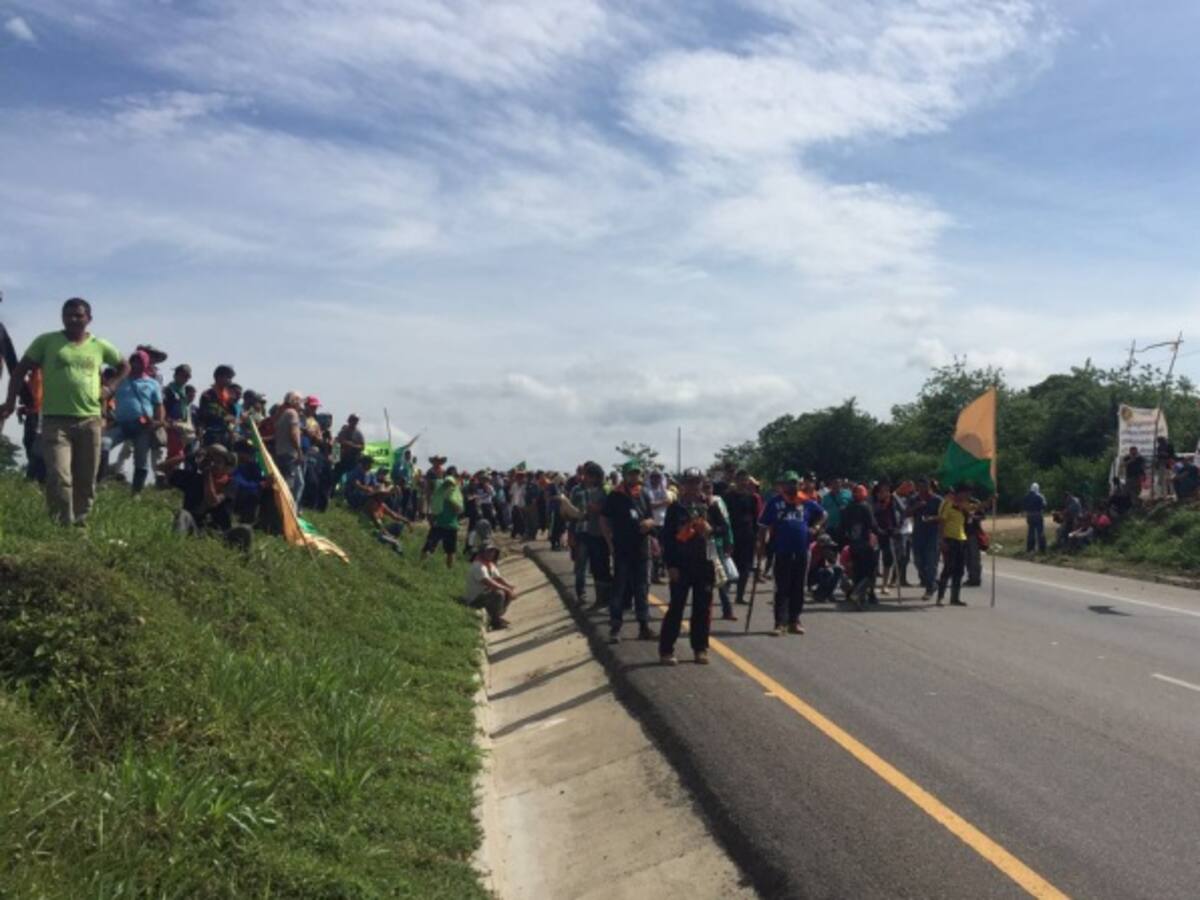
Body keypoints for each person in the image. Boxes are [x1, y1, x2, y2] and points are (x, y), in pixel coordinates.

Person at [1, 298, 128, 525]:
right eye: (68, 315)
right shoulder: (47, 342)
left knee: (86, 479)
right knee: (60, 476)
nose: (73, 319)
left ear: (89, 318)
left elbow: (124, 366)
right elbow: (19, 371)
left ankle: (80, 524)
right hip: (55, 421)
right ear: (62, 317)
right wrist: (10, 402)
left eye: (79, 315)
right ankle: (61, 523)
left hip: (90, 420)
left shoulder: (100, 345)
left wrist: (110, 387)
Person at [660, 468, 720, 665]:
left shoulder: (710, 505)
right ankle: (666, 650)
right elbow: (667, 539)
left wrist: (711, 530)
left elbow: (723, 529)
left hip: (705, 564)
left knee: (702, 609)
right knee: (676, 608)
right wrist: (671, 565)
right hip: (681, 565)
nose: (693, 486)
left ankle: (700, 649)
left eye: (697, 482)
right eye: (689, 482)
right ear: (683, 485)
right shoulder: (675, 508)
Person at [757, 470, 825, 635]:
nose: (792, 486)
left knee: (798, 587)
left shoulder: (806, 501)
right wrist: (761, 546)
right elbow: (763, 525)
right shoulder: (774, 502)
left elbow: (823, 514)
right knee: (782, 587)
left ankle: (794, 621)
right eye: (789, 483)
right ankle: (779, 623)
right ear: (783, 485)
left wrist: (815, 527)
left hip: (802, 550)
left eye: (794, 483)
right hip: (782, 550)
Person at [600, 461, 658, 643]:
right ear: (624, 475)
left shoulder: (644, 494)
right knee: (619, 588)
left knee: (641, 589)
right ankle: (615, 628)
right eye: (631, 474)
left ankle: (644, 626)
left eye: (637, 474)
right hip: (622, 548)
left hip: (641, 548)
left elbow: (651, 517)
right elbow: (604, 519)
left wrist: (649, 523)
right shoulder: (615, 495)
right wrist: (609, 543)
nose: (635, 477)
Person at [160, 443, 253, 551]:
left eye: (218, 462)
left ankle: (241, 562)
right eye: (211, 461)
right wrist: (189, 456)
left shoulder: (230, 483)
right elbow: (162, 467)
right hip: (195, 530)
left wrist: (207, 473)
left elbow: (213, 501)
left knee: (246, 529)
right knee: (183, 515)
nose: (213, 465)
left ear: (225, 466)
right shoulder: (194, 479)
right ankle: (173, 549)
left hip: (220, 534)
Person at [100, 349, 164, 493]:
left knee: (141, 459)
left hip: (143, 426)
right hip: (120, 424)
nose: (135, 364)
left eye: (139, 361)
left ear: (146, 364)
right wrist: (105, 415)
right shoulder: (120, 379)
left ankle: (136, 493)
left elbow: (159, 405)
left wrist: (158, 422)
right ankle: (99, 482)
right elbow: (105, 395)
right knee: (103, 444)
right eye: (133, 361)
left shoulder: (152, 383)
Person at [726, 471, 762, 605]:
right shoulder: (728, 497)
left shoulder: (752, 498)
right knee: (729, 567)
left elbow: (757, 518)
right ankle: (726, 597)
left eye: (745, 480)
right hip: (732, 536)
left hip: (748, 536)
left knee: (745, 568)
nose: (743, 482)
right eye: (740, 480)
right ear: (736, 480)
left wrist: (758, 537)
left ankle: (740, 596)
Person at [842, 483, 880, 605]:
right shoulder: (865, 507)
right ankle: (861, 593)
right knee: (870, 569)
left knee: (857, 569)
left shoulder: (849, 507)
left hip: (853, 543)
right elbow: (872, 524)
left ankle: (857, 594)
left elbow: (844, 526)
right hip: (865, 542)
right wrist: (884, 532)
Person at [465, 542, 517, 630]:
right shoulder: (479, 566)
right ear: (482, 552)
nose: (491, 554)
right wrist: (506, 589)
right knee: (499, 594)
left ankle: (496, 617)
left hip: (485, 594)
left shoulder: (489, 564)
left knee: (505, 592)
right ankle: (495, 622)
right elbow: (488, 582)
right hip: (476, 598)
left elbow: (498, 578)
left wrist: (509, 587)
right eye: (488, 551)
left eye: (493, 551)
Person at [908, 477, 943, 601]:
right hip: (918, 535)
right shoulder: (914, 499)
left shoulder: (937, 500)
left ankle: (930, 587)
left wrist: (932, 519)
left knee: (931, 563)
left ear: (929, 486)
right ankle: (932, 581)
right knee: (918, 562)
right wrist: (916, 506)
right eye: (920, 487)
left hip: (933, 536)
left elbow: (943, 517)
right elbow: (906, 513)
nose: (922, 489)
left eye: (924, 486)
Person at [936, 484, 972, 606]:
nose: (968, 496)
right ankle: (940, 597)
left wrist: (990, 501)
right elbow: (941, 522)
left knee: (960, 570)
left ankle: (955, 598)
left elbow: (976, 508)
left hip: (961, 539)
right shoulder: (948, 504)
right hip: (950, 539)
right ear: (960, 493)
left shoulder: (963, 506)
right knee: (948, 569)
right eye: (966, 493)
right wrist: (941, 541)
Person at [422, 465, 463, 568]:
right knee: (446, 551)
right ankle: (422, 567)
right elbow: (459, 510)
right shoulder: (454, 490)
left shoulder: (444, 488)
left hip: (443, 523)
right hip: (446, 524)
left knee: (433, 547)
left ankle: (421, 567)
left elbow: (458, 509)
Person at [272, 391, 305, 509]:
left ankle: (287, 509)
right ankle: (289, 510)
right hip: (290, 453)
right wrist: (299, 451)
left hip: (280, 451)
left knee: (294, 482)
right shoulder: (292, 413)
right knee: (293, 484)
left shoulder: (282, 414)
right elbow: (293, 435)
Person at [197, 365, 238, 447]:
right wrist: (223, 417)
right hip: (211, 433)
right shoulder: (207, 395)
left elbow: (234, 416)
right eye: (228, 377)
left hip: (227, 434)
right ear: (218, 377)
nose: (230, 381)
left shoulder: (229, 396)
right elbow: (204, 415)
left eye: (230, 378)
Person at [332, 414, 365, 486]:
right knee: (335, 478)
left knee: (352, 479)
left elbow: (362, 447)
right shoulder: (342, 432)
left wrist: (351, 445)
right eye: (353, 420)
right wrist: (335, 458)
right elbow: (336, 444)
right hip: (342, 460)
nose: (354, 422)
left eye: (356, 420)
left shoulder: (359, 433)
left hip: (353, 460)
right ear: (349, 421)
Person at [1023, 482, 1047, 552]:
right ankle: (1042, 548)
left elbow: (1024, 505)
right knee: (1040, 532)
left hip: (1029, 516)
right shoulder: (1040, 496)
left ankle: (1030, 548)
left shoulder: (1026, 496)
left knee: (1031, 532)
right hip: (1038, 515)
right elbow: (1044, 505)